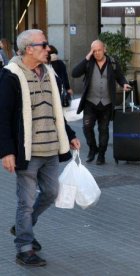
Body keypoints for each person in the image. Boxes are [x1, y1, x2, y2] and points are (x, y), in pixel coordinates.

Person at [0, 29, 81, 266]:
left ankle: (22, 227)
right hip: (27, 151)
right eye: (44, 44)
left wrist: (70, 134)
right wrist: (6, 151)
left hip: (51, 149)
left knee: (51, 193)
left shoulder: (50, 72)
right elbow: (3, 117)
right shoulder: (10, 76)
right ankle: (24, 247)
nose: (48, 48)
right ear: (29, 49)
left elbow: (55, 110)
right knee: (25, 201)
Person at [72, 40, 131, 165]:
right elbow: (75, 73)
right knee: (87, 127)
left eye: (99, 50)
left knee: (103, 129)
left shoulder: (113, 62)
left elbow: (120, 76)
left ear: (104, 49)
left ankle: (101, 155)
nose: (97, 53)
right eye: (94, 51)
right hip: (90, 102)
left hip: (107, 103)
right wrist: (87, 57)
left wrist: (124, 83)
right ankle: (93, 148)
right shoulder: (89, 63)